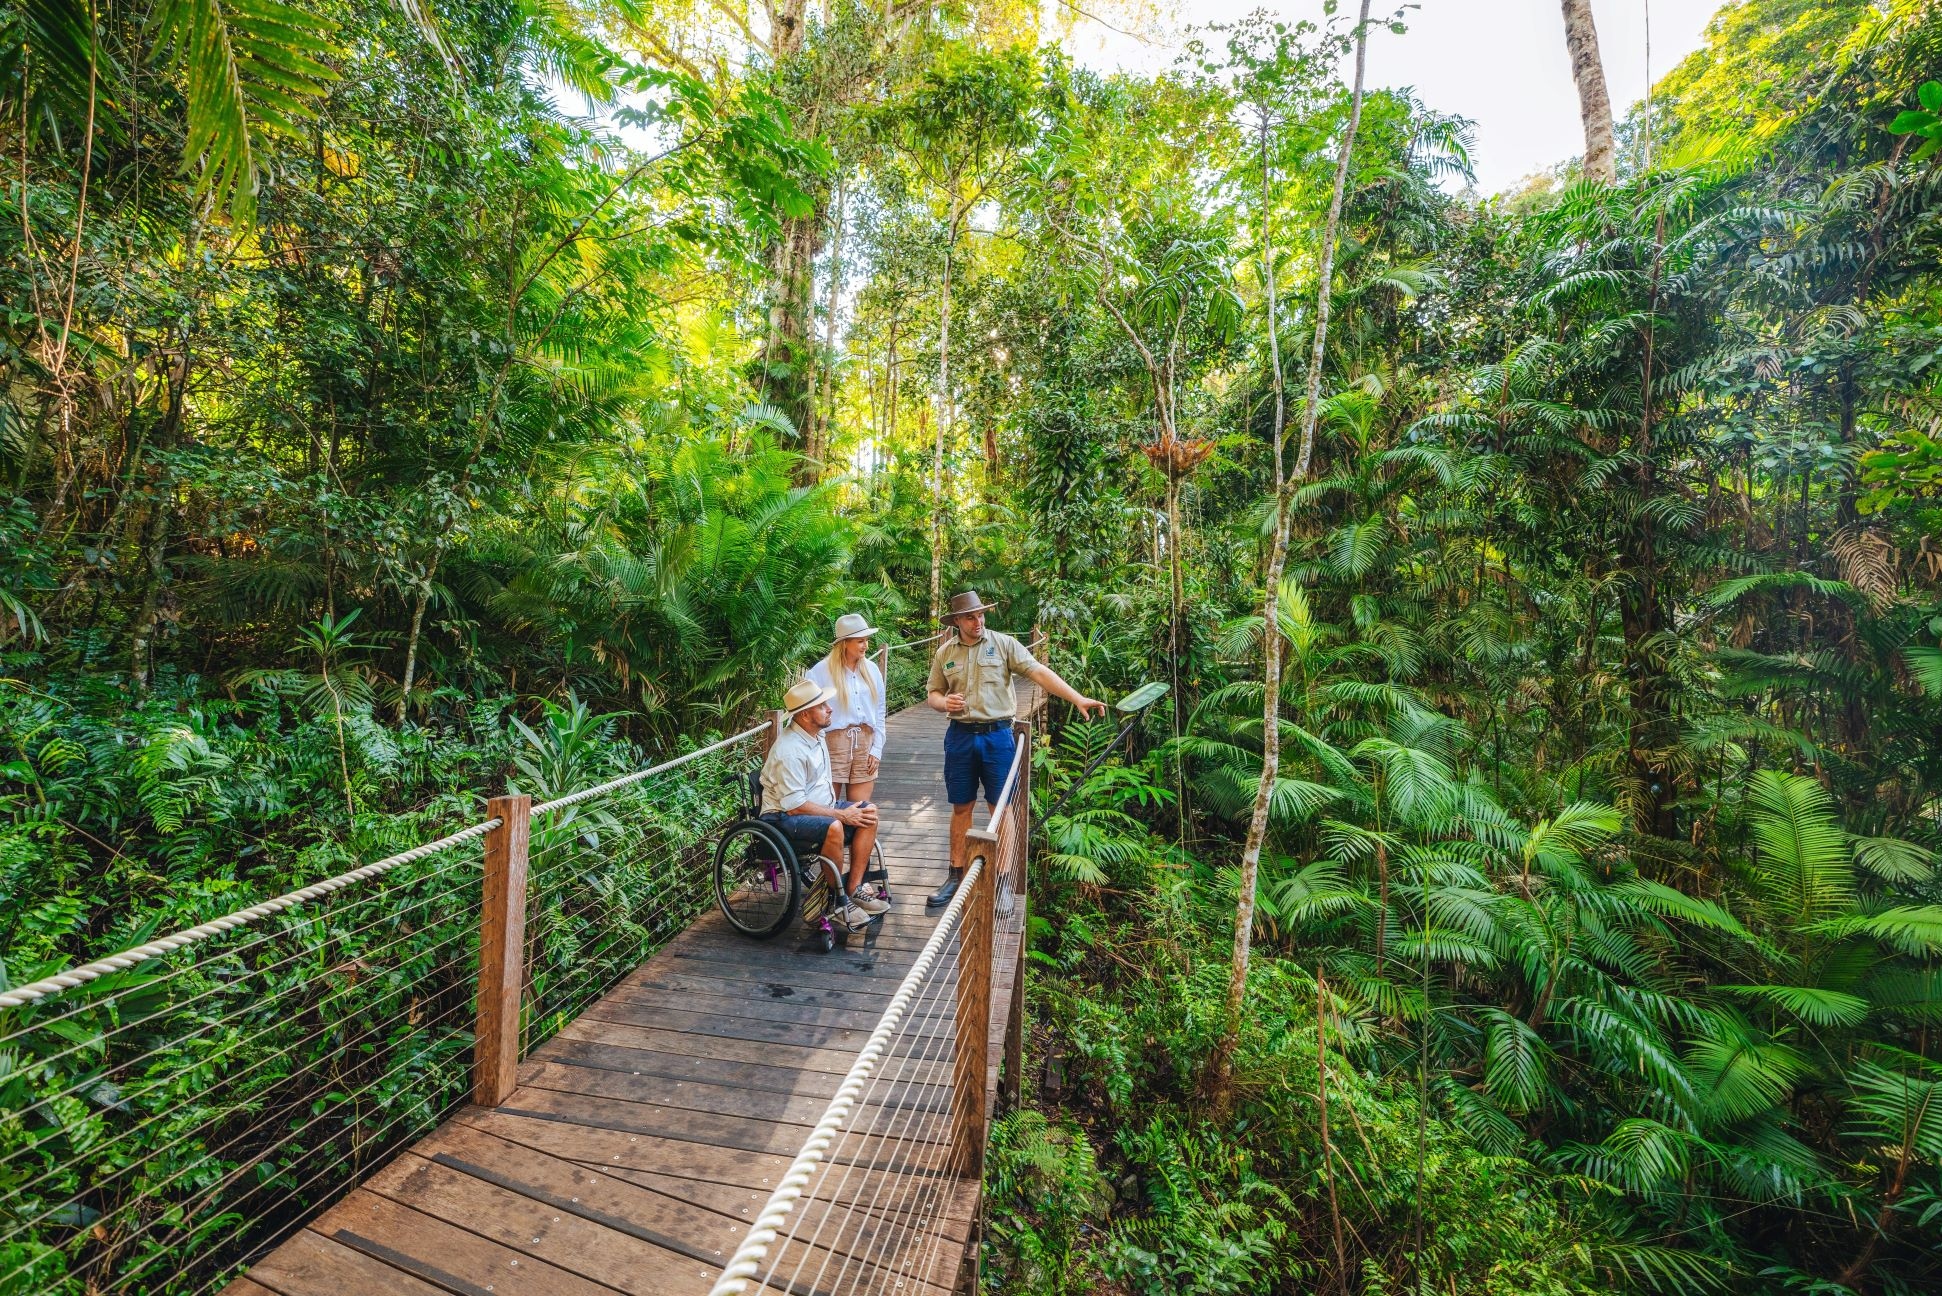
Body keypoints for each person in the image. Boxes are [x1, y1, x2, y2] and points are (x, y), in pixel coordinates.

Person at [925, 590, 1104, 909]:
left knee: (1001, 809)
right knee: (961, 807)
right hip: (960, 736)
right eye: (970, 616)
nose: (977, 621)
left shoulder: (1003, 644)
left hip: (998, 736)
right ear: (956, 621)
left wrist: (1077, 697)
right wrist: (943, 703)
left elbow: (1038, 672)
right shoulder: (945, 653)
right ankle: (955, 874)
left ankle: (1003, 882)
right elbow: (934, 694)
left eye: (981, 615)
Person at [760, 678, 887, 930]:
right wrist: (841, 815)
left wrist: (845, 812)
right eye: (822, 705)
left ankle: (853, 889)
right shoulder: (790, 750)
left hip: (817, 808)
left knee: (869, 812)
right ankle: (837, 902)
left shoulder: (816, 735)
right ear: (806, 714)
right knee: (835, 827)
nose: (830, 708)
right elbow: (794, 805)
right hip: (781, 817)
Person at [806, 613, 887, 806]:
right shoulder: (820, 672)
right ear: (844, 643)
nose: (865, 646)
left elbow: (880, 712)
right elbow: (807, 714)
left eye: (866, 640)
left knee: (861, 810)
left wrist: (877, 749)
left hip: (865, 744)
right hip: (832, 743)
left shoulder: (872, 670)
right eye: (860, 641)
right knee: (827, 807)